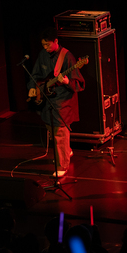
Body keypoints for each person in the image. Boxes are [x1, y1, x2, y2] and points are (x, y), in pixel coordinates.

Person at [27, 27, 85, 177]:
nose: (45, 48)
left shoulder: (67, 57)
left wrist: (67, 81)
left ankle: (62, 165)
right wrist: (32, 87)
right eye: (43, 45)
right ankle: (66, 151)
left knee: (59, 131)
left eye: (47, 45)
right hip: (47, 97)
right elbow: (35, 74)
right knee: (51, 127)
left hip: (63, 99)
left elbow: (78, 82)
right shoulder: (42, 55)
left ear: (56, 41)